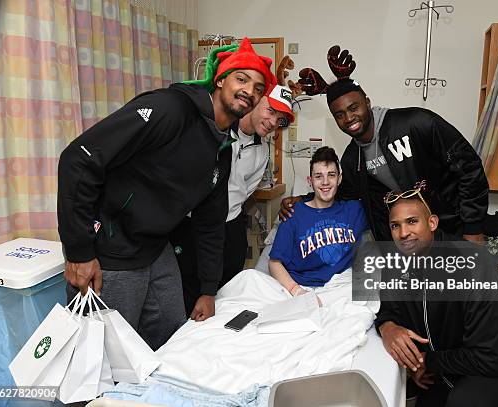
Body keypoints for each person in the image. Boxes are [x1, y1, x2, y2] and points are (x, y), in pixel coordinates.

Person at [57, 38, 276, 350]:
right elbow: (79, 158)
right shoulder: (170, 110)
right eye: (242, 79)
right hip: (111, 248)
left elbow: (210, 221)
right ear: (220, 79)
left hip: (157, 249)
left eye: (258, 87)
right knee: (102, 357)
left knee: (171, 341)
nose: (249, 92)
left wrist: (208, 289)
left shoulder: (223, 147)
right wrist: (78, 251)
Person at [280, 46, 489, 244]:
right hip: (409, 238)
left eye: (354, 107)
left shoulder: (416, 123)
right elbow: (344, 195)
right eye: (339, 115)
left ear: (367, 102)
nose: (349, 118)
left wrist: (473, 227)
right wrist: (304, 200)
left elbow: (468, 167)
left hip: (452, 225)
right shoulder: (353, 159)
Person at [375, 187, 498, 407]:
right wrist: (387, 326)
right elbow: (390, 308)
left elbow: (489, 358)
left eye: (412, 221)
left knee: (462, 402)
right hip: (453, 353)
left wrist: (427, 361)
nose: (403, 233)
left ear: (432, 223)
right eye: (395, 225)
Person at [171, 84, 295, 316]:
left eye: (279, 120)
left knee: (227, 296)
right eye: (270, 111)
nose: (272, 122)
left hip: (230, 227)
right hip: (193, 227)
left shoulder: (262, 152)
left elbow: (246, 191)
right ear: (256, 100)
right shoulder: (219, 128)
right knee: (190, 294)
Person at [269, 146, 368, 296]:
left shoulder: (355, 210)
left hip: (340, 287)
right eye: (318, 176)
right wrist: (297, 291)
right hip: (300, 286)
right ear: (310, 181)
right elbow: (274, 263)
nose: (325, 182)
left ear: (340, 179)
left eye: (331, 175)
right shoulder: (293, 214)